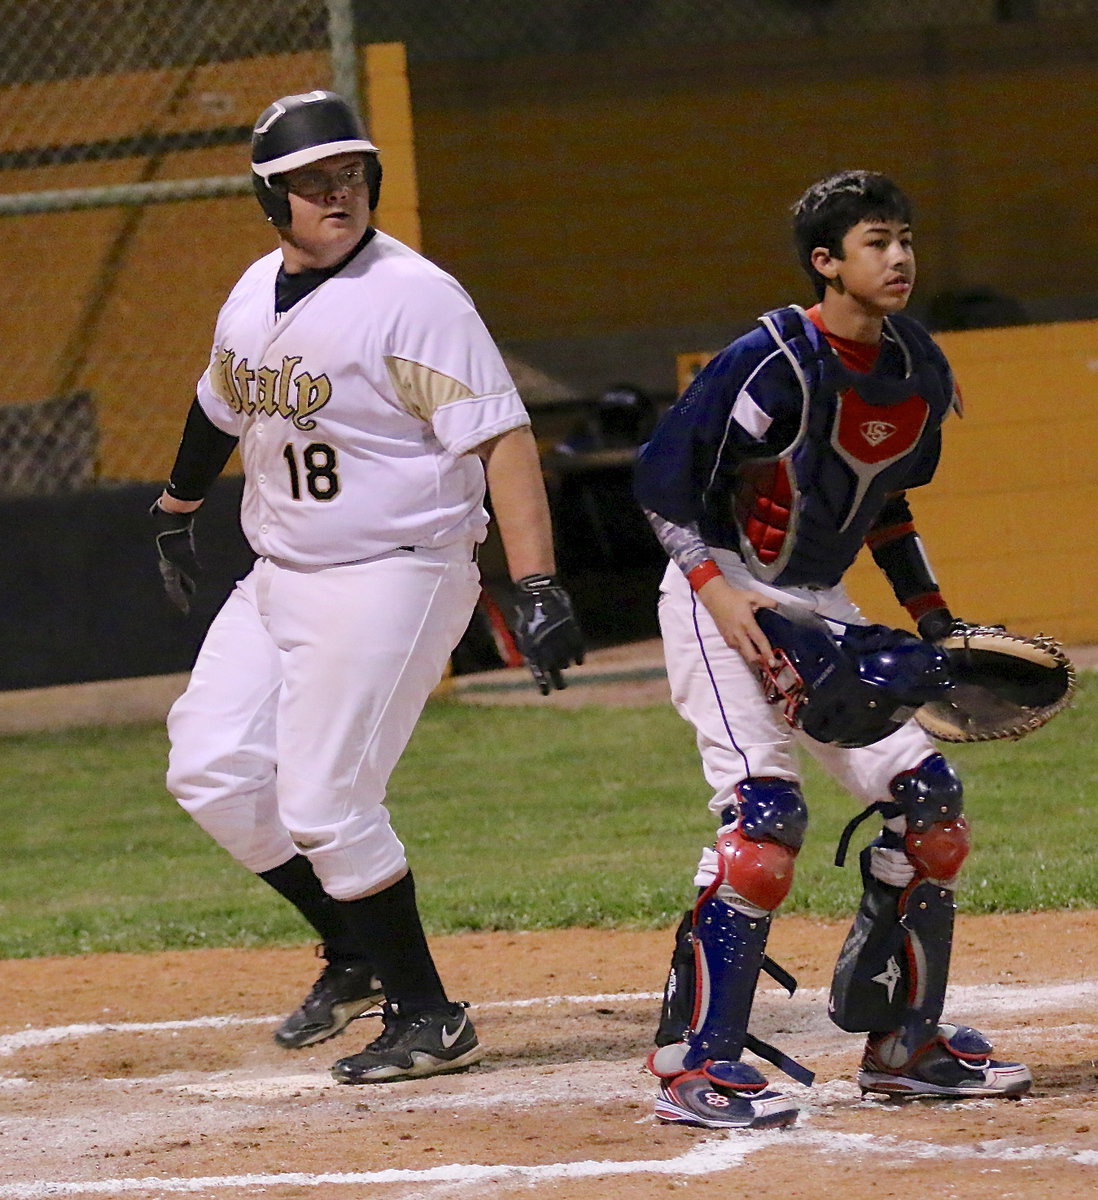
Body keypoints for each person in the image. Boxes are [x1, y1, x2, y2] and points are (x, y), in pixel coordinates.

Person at [148, 90, 584, 1086]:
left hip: (393, 572)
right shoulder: (255, 290)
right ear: (272, 199)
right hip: (281, 572)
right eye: (311, 182)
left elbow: (502, 440)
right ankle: (352, 947)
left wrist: (538, 582)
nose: (336, 194)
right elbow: (221, 404)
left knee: (326, 800)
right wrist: (177, 506)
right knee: (210, 769)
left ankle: (430, 1016)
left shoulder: (416, 296)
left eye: (350, 175)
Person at [633, 170, 1031, 1129]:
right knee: (764, 826)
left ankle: (903, 1043)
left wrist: (934, 620)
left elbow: (885, 504)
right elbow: (662, 483)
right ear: (827, 263)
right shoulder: (773, 360)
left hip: (816, 599)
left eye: (904, 239)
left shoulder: (914, 367)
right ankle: (698, 1063)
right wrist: (717, 593)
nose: (898, 258)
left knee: (931, 807)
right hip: (718, 588)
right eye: (875, 243)